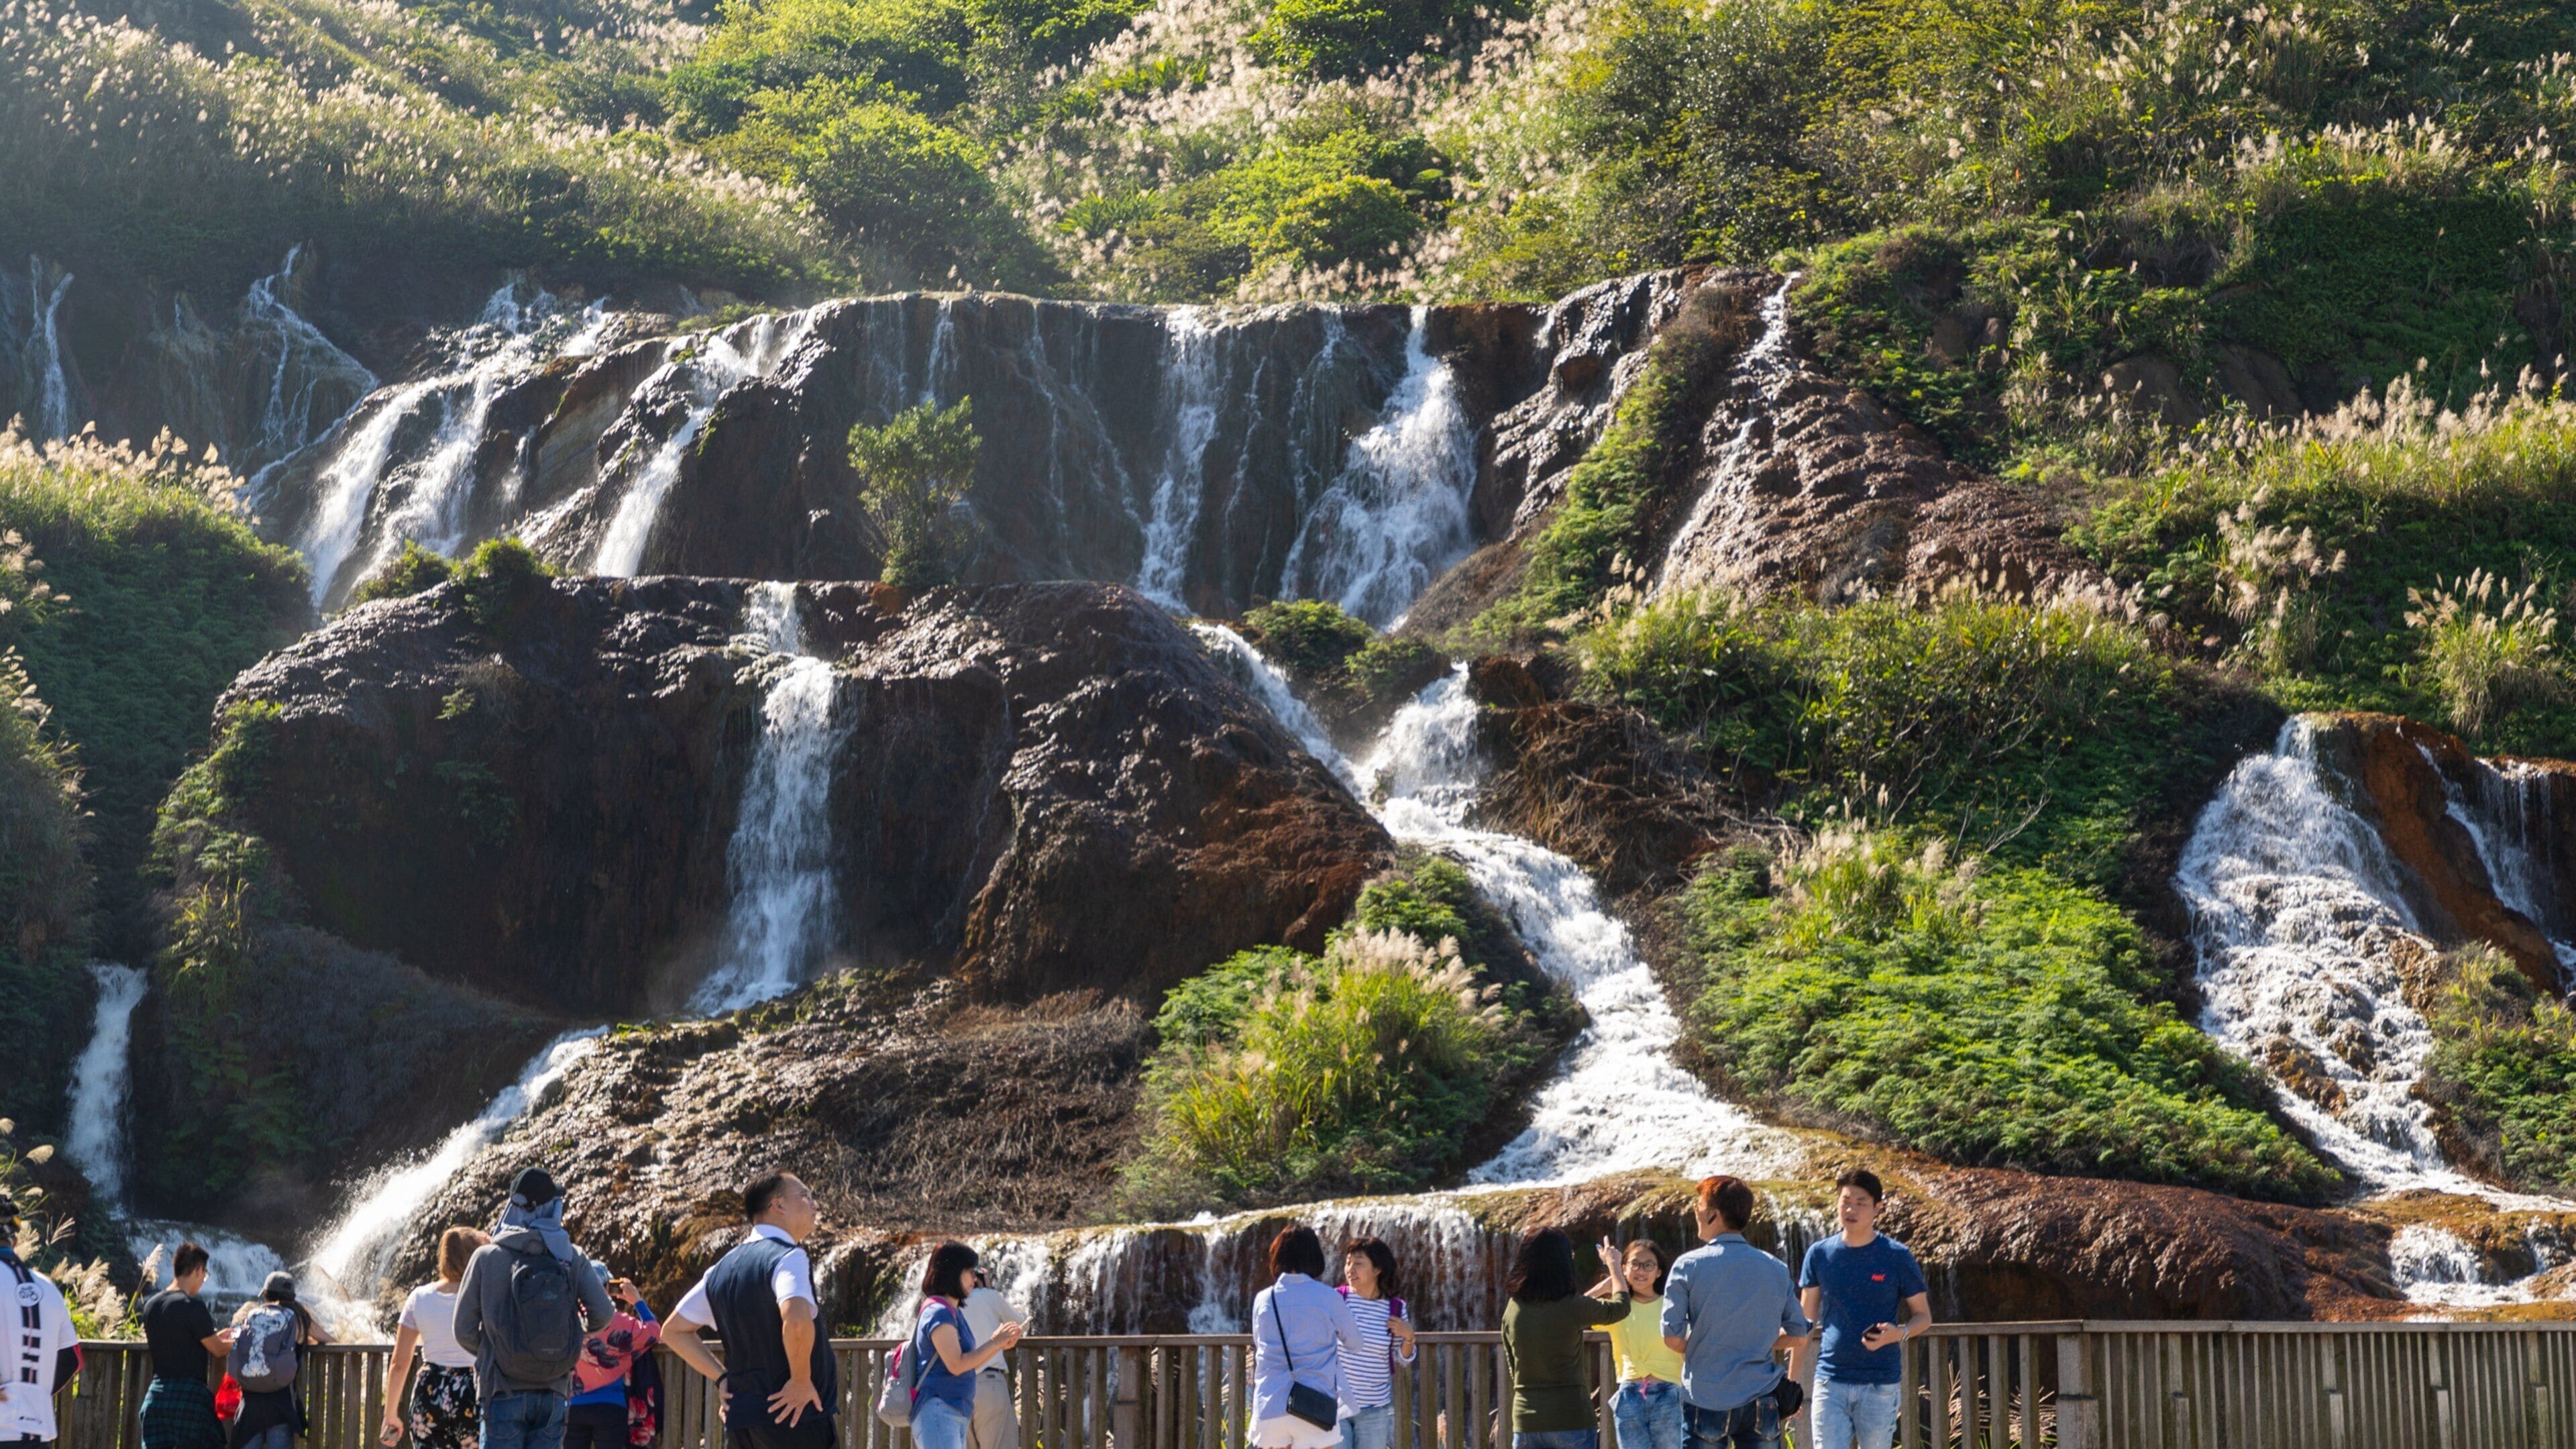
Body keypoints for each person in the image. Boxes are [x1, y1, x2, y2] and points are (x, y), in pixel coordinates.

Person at [664, 1172, 867, 1449]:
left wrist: (722, 1377)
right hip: (795, 1419)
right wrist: (800, 1380)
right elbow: (795, 1321)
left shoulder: (720, 1271)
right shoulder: (788, 1256)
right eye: (805, 1196)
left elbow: (673, 1331)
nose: (814, 1205)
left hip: (742, 1423)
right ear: (779, 1206)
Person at [453, 1169, 614, 1449]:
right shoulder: (571, 1257)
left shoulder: (487, 1257)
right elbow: (603, 1313)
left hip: (501, 1390)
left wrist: (498, 1350)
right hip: (553, 1387)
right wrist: (571, 1337)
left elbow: (463, 1329)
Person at [1658, 1177, 1809, 1449]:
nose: (1696, 1210)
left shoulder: (1687, 1266)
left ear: (1714, 1214)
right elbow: (1799, 1336)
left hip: (1706, 1396)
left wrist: (1709, 1342)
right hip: (1761, 1398)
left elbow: (1673, 1338)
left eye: (1700, 1205)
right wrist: (1757, 1339)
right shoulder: (1775, 1267)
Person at [1795, 1171, 1931, 1449]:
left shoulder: (1896, 1256)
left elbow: (1923, 1316)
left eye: (1861, 1202)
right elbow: (1804, 1321)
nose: (1851, 1209)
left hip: (1879, 1384)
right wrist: (1792, 1381)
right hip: (1829, 1380)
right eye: (1845, 1200)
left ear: (1877, 1208)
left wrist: (1899, 1333)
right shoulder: (1819, 1254)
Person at [1499, 1228, 1629, 1449]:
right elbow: (1620, 1307)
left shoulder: (1513, 1309)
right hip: (1571, 1418)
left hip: (1526, 1423)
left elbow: (1514, 1366)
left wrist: (1598, 1290)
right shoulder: (1572, 1307)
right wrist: (1614, 1265)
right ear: (1562, 1263)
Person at [1248, 1226, 1371, 1449]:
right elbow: (1355, 1343)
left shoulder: (1264, 1299)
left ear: (1278, 1257)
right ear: (1314, 1257)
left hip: (1271, 1405)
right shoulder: (1328, 1297)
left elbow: (1260, 1343)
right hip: (1314, 1407)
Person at [900, 1244, 1023, 1449]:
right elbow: (956, 1364)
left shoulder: (952, 1311)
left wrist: (996, 1344)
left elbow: (966, 1363)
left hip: (953, 1411)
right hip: (939, 1410)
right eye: (969, 1272)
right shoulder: (939, 1312)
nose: (974, 1279)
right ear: (953, 1273)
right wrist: (995, 1343)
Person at [382, 1228, 492, 1449]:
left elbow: (399, 1364)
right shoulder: (485, 1295)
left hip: (430, 1391)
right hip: (474, 1391)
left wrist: (390, 1415)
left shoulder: (419, 1297)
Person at [0, 1192, 81, 1449]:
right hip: (36, 1432)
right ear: (14, 1239)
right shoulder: (47, 1288)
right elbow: (73, 1358)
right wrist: (31, 1396)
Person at [1589, 1241, 1684, 1449]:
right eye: (1635, 1264)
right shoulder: (1618, 1308)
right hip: (1630, 1393)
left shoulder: (1672, 1305)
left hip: (1669, 1392)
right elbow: (1577, 1310)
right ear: (1624, 1268)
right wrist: (1608, 1285)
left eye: (1648, 1265)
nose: (1641, 1270)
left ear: (1659, 1272)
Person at [142, 1242, 237, 1449]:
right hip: (188, 1398)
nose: (203, 1280)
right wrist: (241, 1341)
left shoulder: (151, 1305)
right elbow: (219, 1350)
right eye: (204, 1275)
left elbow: (179, 1337)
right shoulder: (192, 1306)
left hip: (156, 1396)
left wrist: (215, 1336)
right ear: (198, 1270)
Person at [227, 1273, 329, 1449]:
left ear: (265, 1294)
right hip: (281, 1404)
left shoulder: (254, 1317)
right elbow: (328, 1338)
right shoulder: (298, 1318)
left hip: (250, 1403)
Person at [1334, 1238, 1415, 1449]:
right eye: (1348, 1263)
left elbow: (1402, 1359)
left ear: (1378, 1269)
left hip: (1374, 1410)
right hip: (1335, 1406)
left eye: (1358, 1263)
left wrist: (1409, 1337)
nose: (1350, 1269)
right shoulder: (1336, 1300)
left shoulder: (1395, 1308)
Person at [562, 1266, 656, 1449]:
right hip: (611, 1406)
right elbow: (654, 1332)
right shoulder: (620, 1322)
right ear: (606, 1289)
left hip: (573, 1405)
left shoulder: (568, 1320)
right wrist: (637, 1301)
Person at [957, 1267, 1022, 1449]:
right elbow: (1019, 1324)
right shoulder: (990, 1295)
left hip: (956, 1388)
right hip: (988, 1382)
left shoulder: (948, 1303)